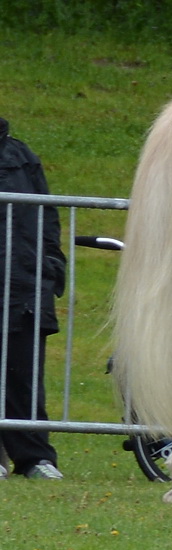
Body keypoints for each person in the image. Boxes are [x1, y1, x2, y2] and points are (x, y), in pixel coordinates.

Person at [0, 118, 66, 479]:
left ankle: (35, 459)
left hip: (23, 283)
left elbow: (46, 215)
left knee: (24, 375)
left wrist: (52, 266)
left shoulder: (21, 156)